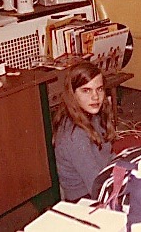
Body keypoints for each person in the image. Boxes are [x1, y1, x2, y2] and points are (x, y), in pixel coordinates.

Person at [53, 61, 116, 201]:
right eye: (86, 90)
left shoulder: (91, 113)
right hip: (85, 199)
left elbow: (109, 156)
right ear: (72, 94)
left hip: (102, 179)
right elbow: (97, 187)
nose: (95, 97)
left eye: (99, 89)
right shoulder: (75, 135)